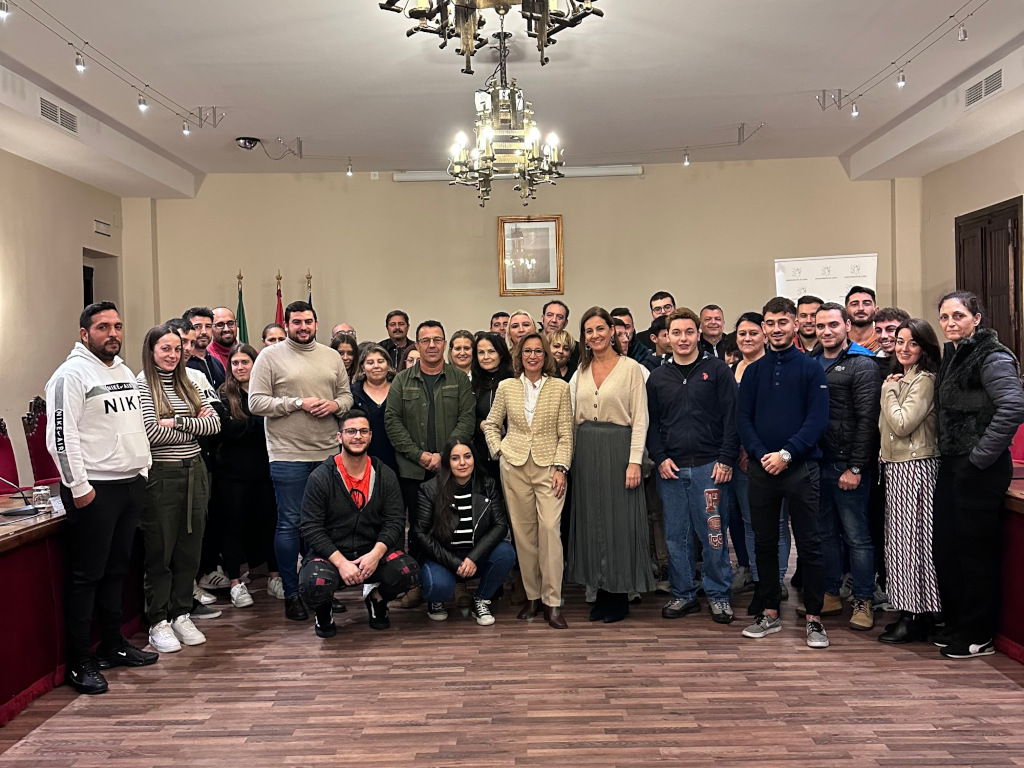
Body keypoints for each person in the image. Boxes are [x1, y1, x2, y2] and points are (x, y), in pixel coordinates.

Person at [44, 302, 156, 695]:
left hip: (129, 484)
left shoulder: (123, 371)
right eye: (103, 327)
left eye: (118, 326)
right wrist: (79, 487)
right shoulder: (70, 375)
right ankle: (80, 662)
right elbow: (61, 438)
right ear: (84, 333)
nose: (113, 333)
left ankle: (112, 645)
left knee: (116, 571)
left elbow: (134, 424)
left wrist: (142, 469)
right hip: (94, 489)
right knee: (86, 577)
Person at [248, 300, 353, 622]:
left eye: (308, 321)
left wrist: (335, 406)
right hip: (287, 454)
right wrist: (297, 403)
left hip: (328, 453)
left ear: (316, 323)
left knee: (323, 526)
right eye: (296, 322)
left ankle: (319, 590)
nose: (303, 327)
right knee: (290, 523)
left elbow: (347, 397)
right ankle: (292, 593)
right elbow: (255, 402)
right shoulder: (269, 356)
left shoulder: (331, 356)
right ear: (287, 325)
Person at [932, 291, 1024, 659]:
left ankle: (979, 633)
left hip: (980, 468)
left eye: (958, 315)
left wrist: (979, 457)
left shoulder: (992, 355)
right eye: (944, 316)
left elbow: (1013, 406)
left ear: (977, 318)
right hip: (953, 463)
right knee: (949, 548)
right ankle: (959, 624)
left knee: (975, 553)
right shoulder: (954, 354)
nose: (950, 322)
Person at [737, 297, 831, 649]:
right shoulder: (754, 371)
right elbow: (743, 420)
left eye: (782, 322)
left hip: (800, 468)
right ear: (764, 327)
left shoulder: (811, 369)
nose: (776, 329)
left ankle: (814, 618)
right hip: (762, 469)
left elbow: (817, 420)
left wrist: (787, 454)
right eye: (770, 323)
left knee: (810, 544)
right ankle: (770, 612)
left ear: (795, 325)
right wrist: (762, 454)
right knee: (764, 543)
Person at [647, 307, 738, 624]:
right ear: (667, 337)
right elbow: (651, 423)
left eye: (689, 332)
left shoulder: (717, 371)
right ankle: (683, 593)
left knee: (713, 535)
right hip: (671, 469)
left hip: (710, 468)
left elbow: (732, 418)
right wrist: (660, 458)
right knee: (676, 537)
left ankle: (718, 595)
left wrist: (726, 458)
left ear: (699, 334)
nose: (683, 338)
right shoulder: (658, 378)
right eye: (676, 333)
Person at [136, 324, 221, 653]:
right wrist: (194, 426)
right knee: (161, 550)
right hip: (162, 475)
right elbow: (152, 433)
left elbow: (213, 424)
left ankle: (181, 613)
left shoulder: (189, 381)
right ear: (152, 350)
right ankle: (158, 620)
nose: (173, 355)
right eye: (165, 349)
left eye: (177, 349)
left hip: (194, 472)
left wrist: (177, 422)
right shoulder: (143, 384)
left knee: (190, 548)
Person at [566, 307, 655, 623]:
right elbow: (571, 417)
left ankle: (619, 595)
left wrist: (634, 462)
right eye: (589, 331)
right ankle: (601, 591)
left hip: (619, 449)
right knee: (592, 521)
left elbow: (640, 419)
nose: (595, 335)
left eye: (600, 328)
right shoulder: (581, 371)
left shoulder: (631, 369)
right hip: (586, 450)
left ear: (612, 331)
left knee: (620, 522)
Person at [297, 410, 419, 637]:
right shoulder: (321, 477)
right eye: (351, 431)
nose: (357, 436)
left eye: (363, 431)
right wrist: (342, 563)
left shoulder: (385, 474)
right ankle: (323, 612)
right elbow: (310, 528)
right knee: (313, 583)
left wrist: (375, 554)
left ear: (371, 436)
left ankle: (377, 600)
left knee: (408, 572)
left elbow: (395, 521)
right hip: (332, 555)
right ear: (339, 437)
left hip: (372, 552)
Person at [484, 332, 574, 628]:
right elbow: (491, 424)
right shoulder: (507, 386)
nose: (532, 356)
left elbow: (566, 433)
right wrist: (499, 451)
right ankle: (533, 597)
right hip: (515, 466)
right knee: (524, 534)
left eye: (538, 351)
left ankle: (553, 602)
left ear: (546, 355)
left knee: (549, 530)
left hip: (549, 468)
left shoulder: (560, 387)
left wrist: (561, 468)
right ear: (519, 356)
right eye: (527, 351)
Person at [385, 320, 476, 608]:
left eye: (437, 339)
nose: (432, 345)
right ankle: (417, 585)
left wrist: (444, 456)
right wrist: (420, 455)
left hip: (452, 469)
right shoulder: (402, 380)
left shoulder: (459, 379)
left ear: (445, 343)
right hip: (414, 469)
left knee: (456, 526)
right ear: (417, 345)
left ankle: (459, 584)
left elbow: (467, 419)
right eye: (425, 340)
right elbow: (392, 422)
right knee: (418, 530)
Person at [808, 303, 882, 631]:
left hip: (847, 465)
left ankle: (863, 600)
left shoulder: (862, 364)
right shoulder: (810, 362)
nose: (826, 331)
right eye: (821, 325)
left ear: (847, 326)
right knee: (825, 534)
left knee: (857, 537)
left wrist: (856, 467)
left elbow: (868, 420)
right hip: (816, 462)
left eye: (833, 325)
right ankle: (831, 593)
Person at [877, 318, 942, 644]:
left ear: (924, 348)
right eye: (900, 341)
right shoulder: (905, 378)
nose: (903, 348)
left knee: (913, 545)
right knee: (901, 544)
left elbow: (902, 424)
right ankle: (912, 612)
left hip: (915, 468)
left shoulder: (924, 380)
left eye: (912, 343)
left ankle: (916, 615)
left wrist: (888, 390)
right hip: (898, 467)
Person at [414, 439, 517, 626]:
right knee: (437, 585)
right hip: (442, 558)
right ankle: (436, 600)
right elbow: (421, 534)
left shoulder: (487, 484)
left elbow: (500, 525)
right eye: (455, 458)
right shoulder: (429, 489)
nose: (462, 463)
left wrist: (472, 557)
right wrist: (455, 563)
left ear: (474, 459)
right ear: (447, 462)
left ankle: (481, 600)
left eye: (467, 456)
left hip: (475, 556)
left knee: (506, 552)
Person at [729, 312, 792, 610]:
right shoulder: (729, 371)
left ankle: (776, 580)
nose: (747, 338)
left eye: (753, 332)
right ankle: (759, 578)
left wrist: (758, 451)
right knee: (749, 523)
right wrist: (740, 451)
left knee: (777, 523)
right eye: (742, 333)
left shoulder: (775, 368)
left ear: (765, 335)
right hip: (739, 459)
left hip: (772, 458)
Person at [214, 343, 282, 607]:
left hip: (265, 472)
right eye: (235, 363)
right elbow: (227, 431)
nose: (240, 367)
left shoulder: (266, 391)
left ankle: (275, 577)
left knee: (270, 524)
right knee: (233, 527)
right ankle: (235, 583)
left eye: (245, 362)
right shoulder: (223, 394)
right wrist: (259, 423)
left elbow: (269, 426)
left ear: (256, 364)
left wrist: (244, 425)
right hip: (232, 475)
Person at [471, 332, 515, 481]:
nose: (486, 357)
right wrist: (480, 425)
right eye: (481, 352)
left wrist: (505, 427)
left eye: (491, 351)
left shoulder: (514, 381)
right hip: (480, 454)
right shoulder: (472, 382)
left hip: (510, 453)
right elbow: (465, 415)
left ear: (501, 353)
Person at [350, 343, 398, 473]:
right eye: (370, 362)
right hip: (363, 457)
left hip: (397, 457)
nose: (376, 366)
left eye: (380, 361)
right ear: (362, 367)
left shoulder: (399, 389)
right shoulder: (353, 393)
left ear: (388, 364)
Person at [183, 307, 226, 390]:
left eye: (208, 326)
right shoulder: (182, 364)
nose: (204, 332)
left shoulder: (217, 363)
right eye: (197, 326)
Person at [610, 307, 659, 371]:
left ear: (633, 326)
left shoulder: (645, 355)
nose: (625, 338)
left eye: (627, 327)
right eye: (619, 334)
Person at [845, 286, 883, 354]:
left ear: (876, 311)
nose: (861, 308)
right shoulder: (837, 342)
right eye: (854, 304)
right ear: (845, 312)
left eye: (867, 304)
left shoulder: (884, 342)